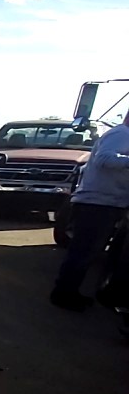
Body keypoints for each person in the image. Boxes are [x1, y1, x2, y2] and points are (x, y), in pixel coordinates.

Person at [51, 113, 129, 311]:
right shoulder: (122, 134)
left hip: (106, 202)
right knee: (83, 251)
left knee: (88, 251)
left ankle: (69, 292)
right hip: (97, 203)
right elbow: (104, 159)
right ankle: (63, 294)